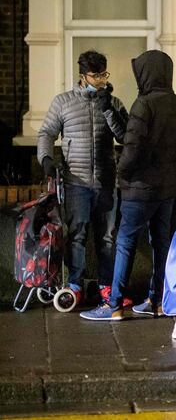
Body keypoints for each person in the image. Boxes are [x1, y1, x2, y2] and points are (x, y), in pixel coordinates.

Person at [80, 50, 176, 321]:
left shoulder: (144, 104)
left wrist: (123, 173)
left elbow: (132, 146)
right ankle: (158, 301)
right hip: (168, 187)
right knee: (161, 243)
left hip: (140, 188)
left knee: (125, 242)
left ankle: (114, 305)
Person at [37, 50, 129, 309]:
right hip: (76, 181)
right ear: (82, 75)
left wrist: (108, 107)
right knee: (76, 235)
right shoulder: (63, 102)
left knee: (107, 237)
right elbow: (46, 132)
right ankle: (75, 283)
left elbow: (124, 136)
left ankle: (106, 284)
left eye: (104, 74)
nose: (100, 80)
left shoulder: (114, 102)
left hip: (107, 181)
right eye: (95, 75)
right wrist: (45, 159)